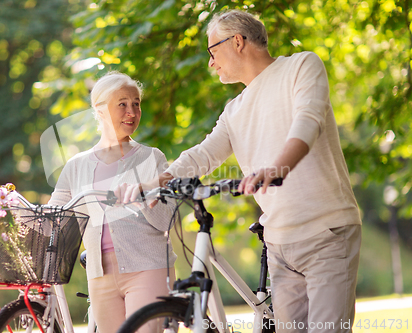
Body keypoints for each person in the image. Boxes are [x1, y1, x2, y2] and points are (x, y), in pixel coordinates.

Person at [116, 9, 362, 333]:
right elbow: (203, 153)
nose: (210, 63)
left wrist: (275, 168)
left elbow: (309, 121)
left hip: (326, 234)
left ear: (237, 42)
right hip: (279, 247)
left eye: (212, 51)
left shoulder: (301, 66)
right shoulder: (235, 110)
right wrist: (157, 181)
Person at [48, 72, 177, 333]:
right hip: (99, 275)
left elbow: (166, 220)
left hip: (148, 268)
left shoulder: (151, 157)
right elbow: (54, 214)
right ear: (100, 109)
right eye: (122, 104)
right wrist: (7, 206)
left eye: (136, 103)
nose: (132, 111)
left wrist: (142, 195)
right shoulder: (77, 165)